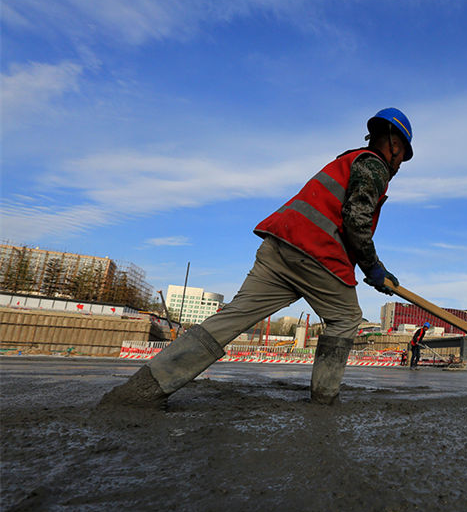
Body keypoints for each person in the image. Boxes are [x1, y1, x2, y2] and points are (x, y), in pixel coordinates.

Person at [100, 108, 414, 408]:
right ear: (394, 145)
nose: (399, 166)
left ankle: (143, 389)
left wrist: (369, 266)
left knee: (233, 317)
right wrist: (373, 267)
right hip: (317, 252)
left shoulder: (346, 161)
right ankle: (324, 403)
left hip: (280, 245)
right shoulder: (373, 165)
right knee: (346, 319)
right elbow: (356, 221)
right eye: (402, 158)